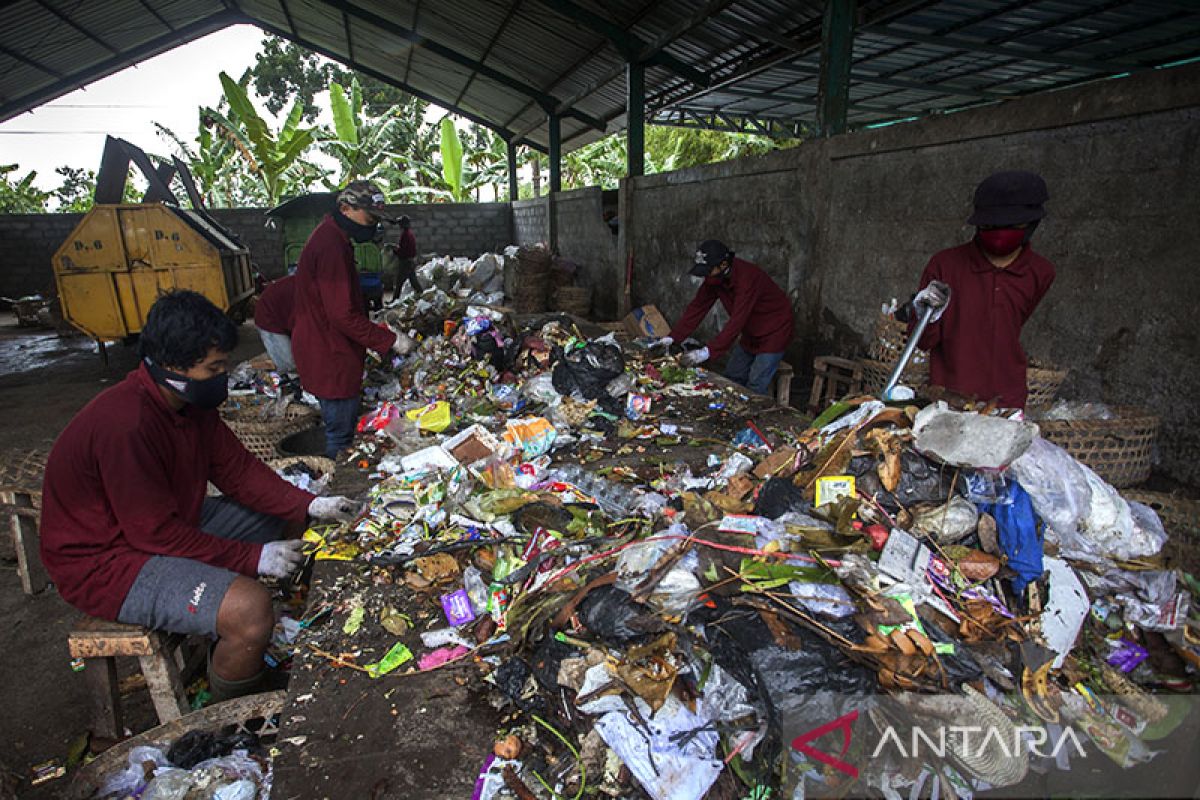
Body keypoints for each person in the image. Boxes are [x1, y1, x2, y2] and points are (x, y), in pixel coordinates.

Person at [39, 290, 360, 702]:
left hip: (170, 519)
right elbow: (155, 536)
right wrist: (252, 558)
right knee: (250, 611)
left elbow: (238, 472)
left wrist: (310, 504)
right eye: (215, 367)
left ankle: (275, 618)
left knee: (285, 515)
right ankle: (229, 711)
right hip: (107, 560)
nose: (224, 375)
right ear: (173, 367)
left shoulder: (190, 404)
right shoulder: (126, 425)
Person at [901, 170, 1055, 409]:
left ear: (1031, 225)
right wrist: (923, 314)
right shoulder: (945, 265)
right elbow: (922, 341)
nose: (1000, 233)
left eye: (1011, 225)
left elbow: (1012, 323)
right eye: (991, 226)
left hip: (1006, 400)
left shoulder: (1041, 272)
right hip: (950, 398)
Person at [291, 180, 408, 458]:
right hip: (329, 353)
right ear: (346, 208)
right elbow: (342, 315)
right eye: (370, 218)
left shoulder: (333, 238)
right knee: (340, 435)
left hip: (325, 346)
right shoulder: (330, 246)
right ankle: (334, 487)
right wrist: (389, 340)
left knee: (339, 427)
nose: (372, 226)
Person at [656, 240, 795, 396]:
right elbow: (697, 307)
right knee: (732, 377)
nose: (706, 275)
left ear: (723, 265)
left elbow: (737, 320)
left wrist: (707, 351)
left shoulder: (747, 278)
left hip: (775, 330)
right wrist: (673, 337)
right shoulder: (715, 278)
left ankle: (753, 418)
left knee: (755, 384)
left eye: (709, 270)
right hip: (751, 331)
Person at [253, 273, 297, 386]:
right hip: (268, 319)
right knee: (287, 362)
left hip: (280, 314)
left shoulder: (306, 286)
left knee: (293, 359)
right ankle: (286, 386)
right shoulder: (304, 289)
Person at [386, 214, 421, 302]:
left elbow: (403, 251)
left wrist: (394, 250)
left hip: (406, 262)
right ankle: (423, 295)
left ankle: (394, 300)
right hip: (410, 261)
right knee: (413, 282)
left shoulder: (405, 235)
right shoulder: (409, 234)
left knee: (399, 282)